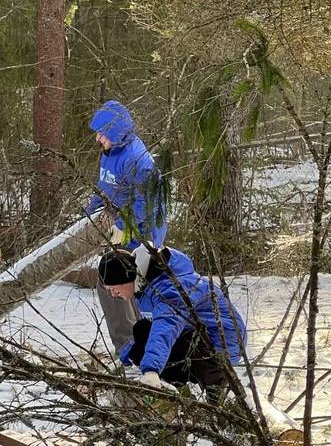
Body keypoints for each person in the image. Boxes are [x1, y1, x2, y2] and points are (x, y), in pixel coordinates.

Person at [97, 246, 246, 403]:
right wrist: (126, 357)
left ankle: (218, 391)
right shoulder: (147, 286)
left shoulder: (170, 289)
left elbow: (166, 328)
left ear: (125, 278)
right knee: (142, 331)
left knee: (167, 338)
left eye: (113, 288)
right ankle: (174, 388)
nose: (113, 294)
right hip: (195, 337)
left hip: (222, 344)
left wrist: (151, 370)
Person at [84, 100, 167, 250]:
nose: (97, 139)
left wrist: (122, 227)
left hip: (142, 231)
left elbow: (146, 202)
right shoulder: (110, 151)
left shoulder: (136, 159)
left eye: (101, 134)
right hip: (122, 221)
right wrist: (91, 209)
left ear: (114, 133)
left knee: (133, 270)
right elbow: (106, 184)